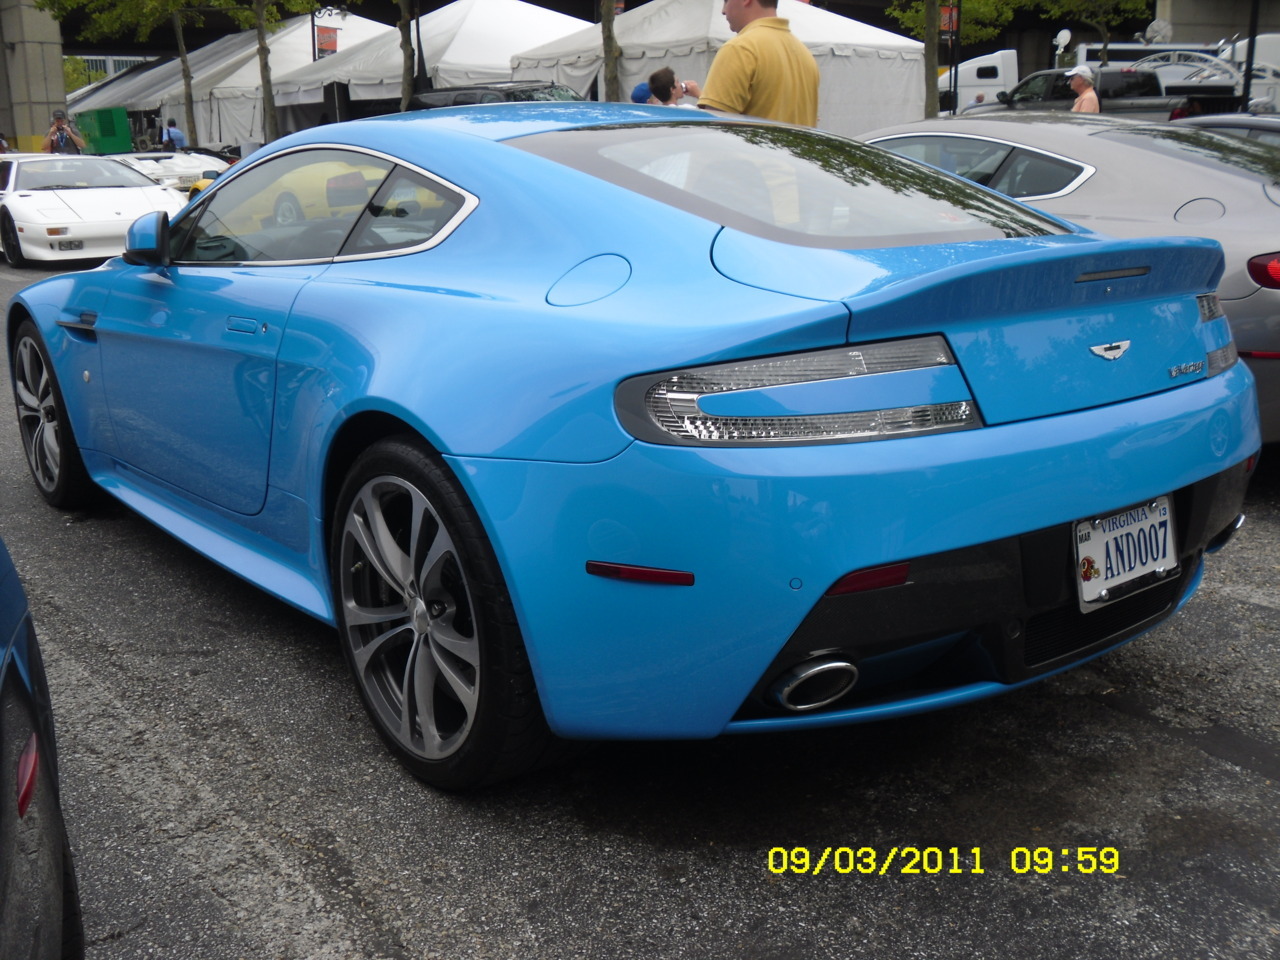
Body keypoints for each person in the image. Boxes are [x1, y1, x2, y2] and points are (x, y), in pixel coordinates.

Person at [697, 0, 819, 126]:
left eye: (726, 1)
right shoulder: (805, 54)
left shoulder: (740, 48)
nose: (723, 11)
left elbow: (716, 127)